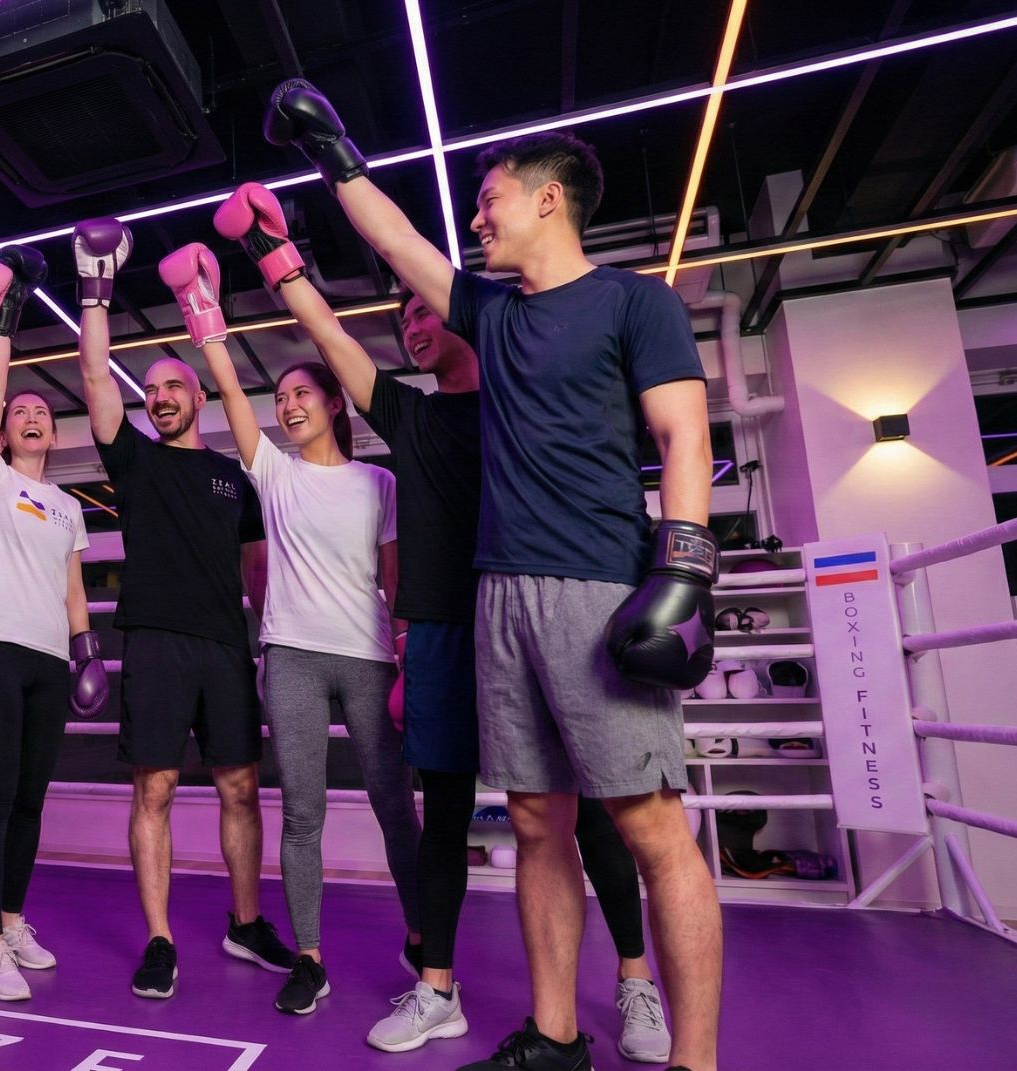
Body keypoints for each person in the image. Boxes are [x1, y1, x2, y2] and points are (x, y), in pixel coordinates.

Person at [267, 81, 720, 1071]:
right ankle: (555, 1038)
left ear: (549, 200)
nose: (476, 219)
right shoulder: (492, 312)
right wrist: (335, 151)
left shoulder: (634, 302)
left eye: (490, 200)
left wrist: (685, 566)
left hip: (599, 586)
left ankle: (697, 1061)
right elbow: (396, 243)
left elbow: (685, 431)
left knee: (650, 829)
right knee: (530, 821)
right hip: (496, 593)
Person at [162, 222, 422, 1017]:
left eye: (302, 393)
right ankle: (309, 956)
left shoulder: (377, 485)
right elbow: (232, 391)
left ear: (335, 403)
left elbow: (394, 583)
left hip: (369, 656)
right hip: (295, 659)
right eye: (283, 398)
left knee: (393, 807)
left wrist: (408, 656)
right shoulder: (269, 471)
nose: (287, 403)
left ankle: (427, 942)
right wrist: (201, 307)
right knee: (301, 812)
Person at [71, 218, 295, 1001]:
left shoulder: (235, 478)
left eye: (173, 387)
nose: (160, 396)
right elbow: (97, 376)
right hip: (159, 643)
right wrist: (93, 284)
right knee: (155, 790)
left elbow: (259, 565)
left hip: (227, 648)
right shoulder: (131, 460)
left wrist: (270, 645)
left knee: (240, 786)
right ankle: (160, 939)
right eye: (153, 389)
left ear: (196, 397)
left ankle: (244, 920)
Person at [0, 247, 99, 1002]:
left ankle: (11, 919)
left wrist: (86, 652)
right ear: (5, 434)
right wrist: (6, 316)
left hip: (47, 660)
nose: (31, 416)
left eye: (43, 412)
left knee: (33, 799)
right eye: (21, 414)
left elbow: (74, 588)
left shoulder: (70, 506)